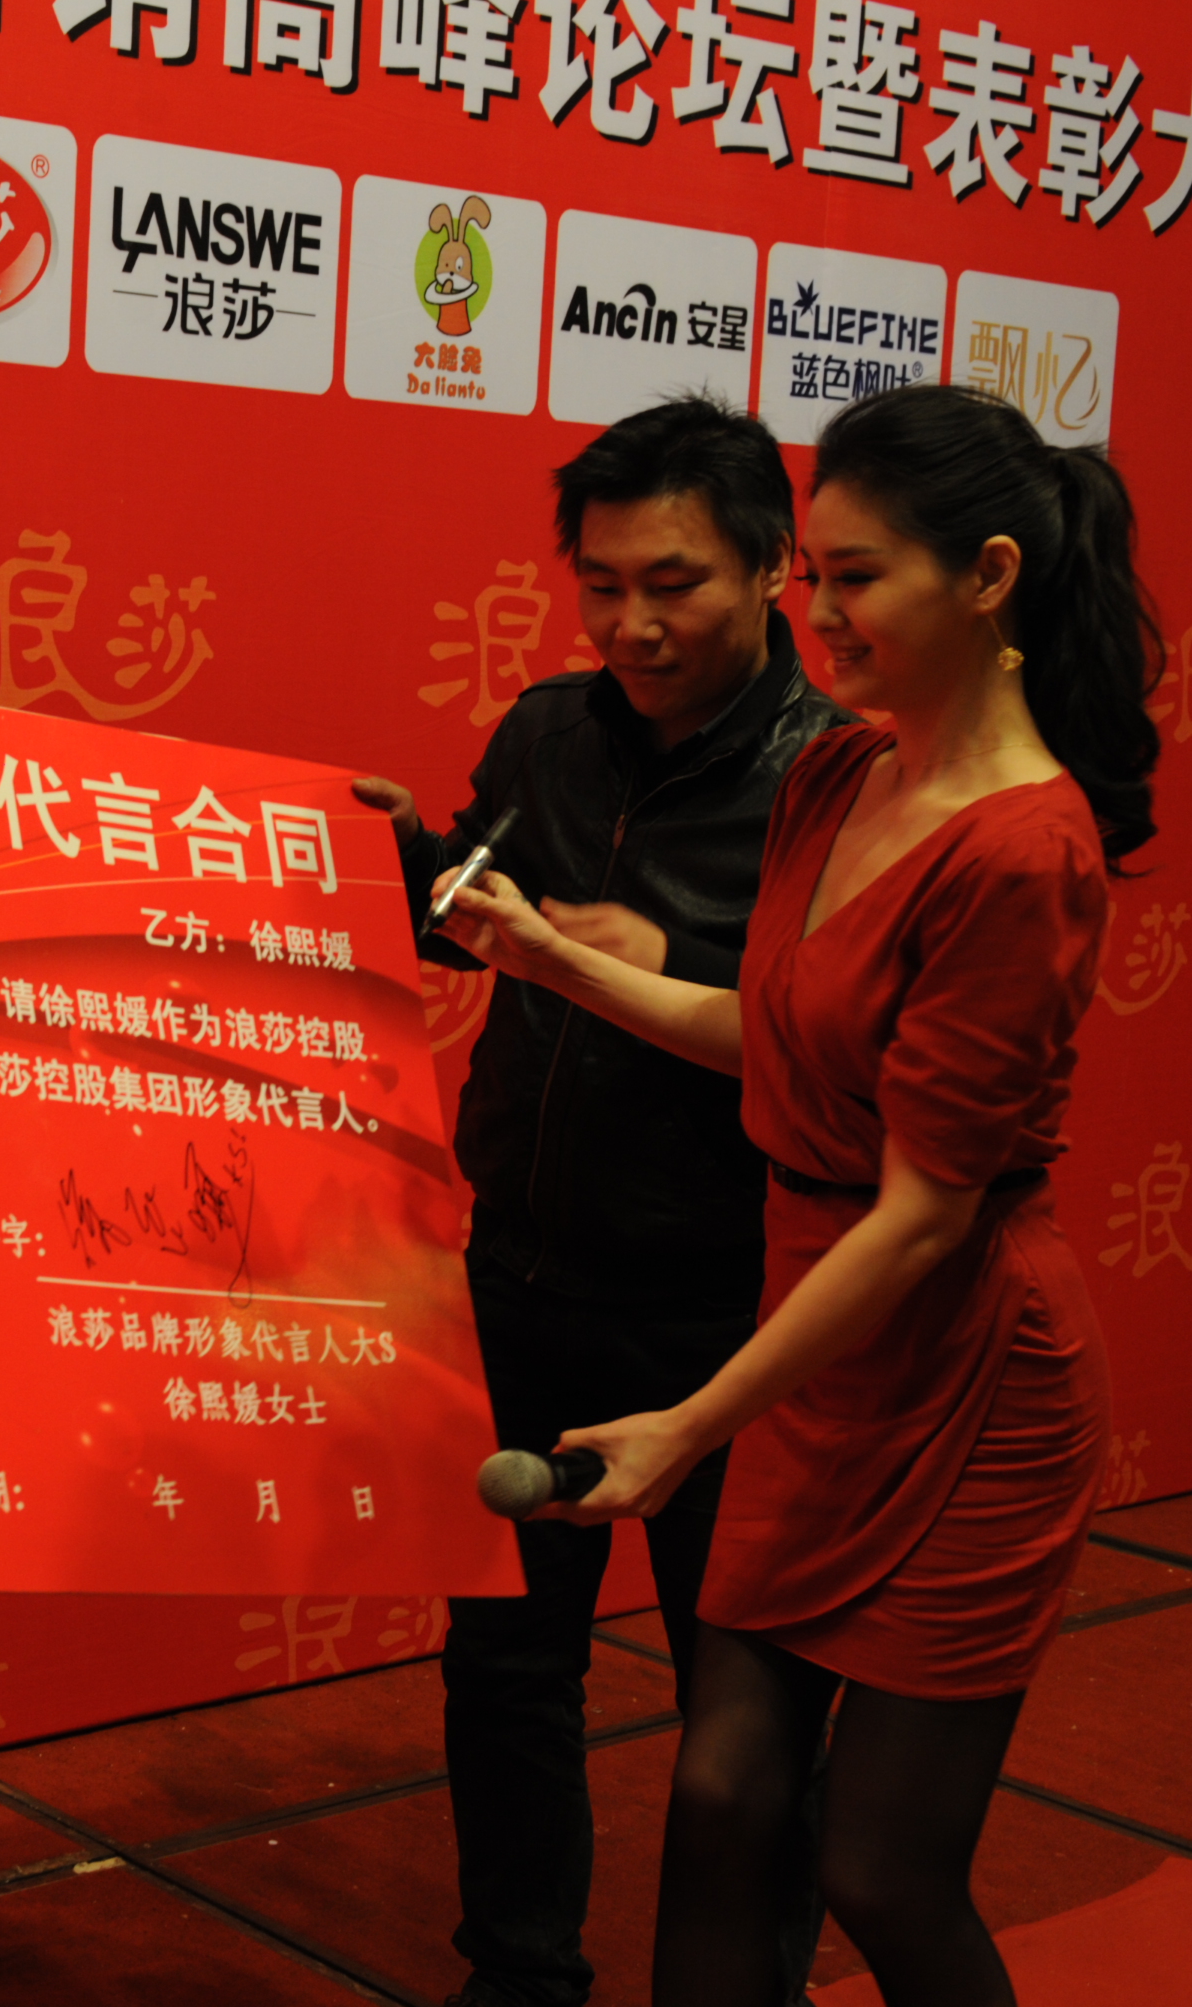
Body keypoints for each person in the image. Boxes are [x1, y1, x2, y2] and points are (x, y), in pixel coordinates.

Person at [434, 382, 1155, 2006]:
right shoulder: (844, 782)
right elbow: (763, 1031)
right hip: (794, 1332)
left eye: (856, 579)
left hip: (949, 1364)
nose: (820, 616)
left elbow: (924, 1212)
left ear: (988, 577)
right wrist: (547, 952)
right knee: (722, 1796)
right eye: (818, 576)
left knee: (881, 1871)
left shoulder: (1022, 847)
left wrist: (695, 1423)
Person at [351, 395, 845, 2007]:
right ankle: (518, 1975)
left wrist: (667, 959)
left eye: (676, 585)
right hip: (520, 1275)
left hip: (737, 1313)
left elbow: (846, 1038)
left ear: (772, 570)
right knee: (506, 1667)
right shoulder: (549, 733)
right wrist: (394, 859)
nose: (634, 625)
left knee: (745, 1705)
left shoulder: (838, 776)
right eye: (605, 584)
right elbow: (478, 911)